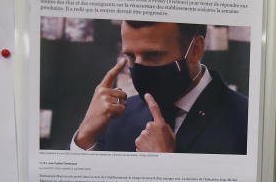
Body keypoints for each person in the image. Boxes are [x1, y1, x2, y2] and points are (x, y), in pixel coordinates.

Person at [70, 21, 248, 155]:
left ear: (195, 49)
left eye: (153, 55)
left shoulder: (248, 122)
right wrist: (85, 137)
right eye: (130, 56)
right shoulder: (116, 117)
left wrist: (164, 168)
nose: (139, 68)